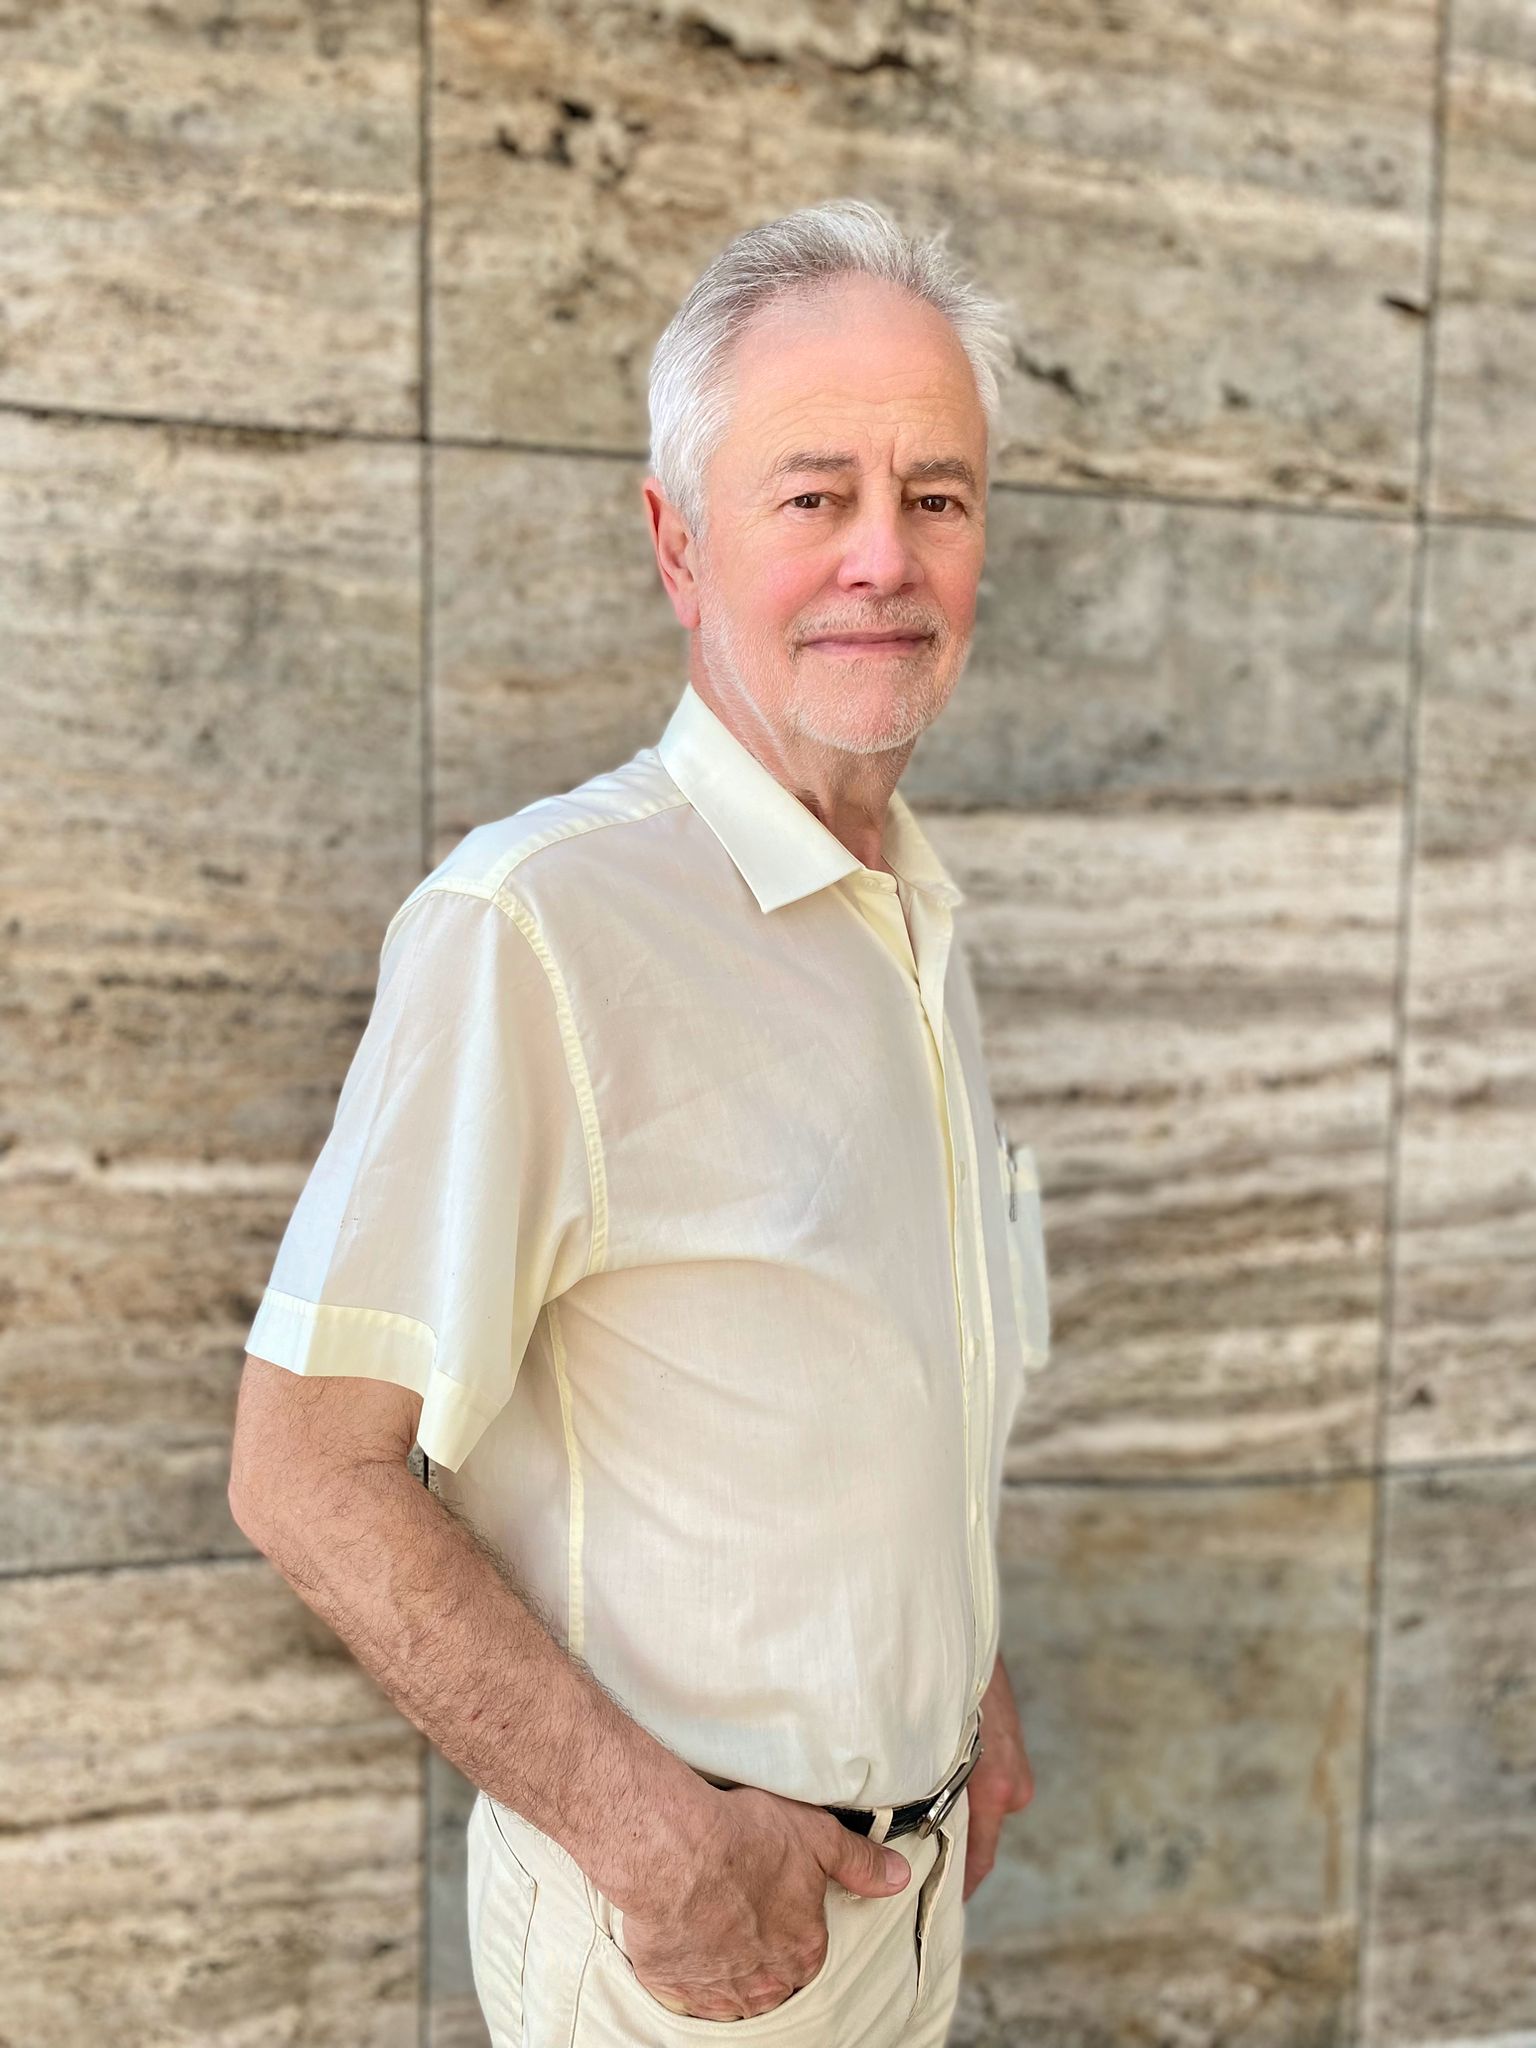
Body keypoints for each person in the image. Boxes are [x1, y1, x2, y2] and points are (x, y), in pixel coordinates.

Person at [229, 195, 1051, 2046]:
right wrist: (653, 1843)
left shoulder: (912, 916)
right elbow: (305, 1471)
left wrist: (964, 1690)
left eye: (935, 496)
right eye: (812, 495)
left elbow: (873, 1375)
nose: (884, 559)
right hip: (697, 1947)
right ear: (679, 543)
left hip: (907, 1898)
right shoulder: (540, 925)